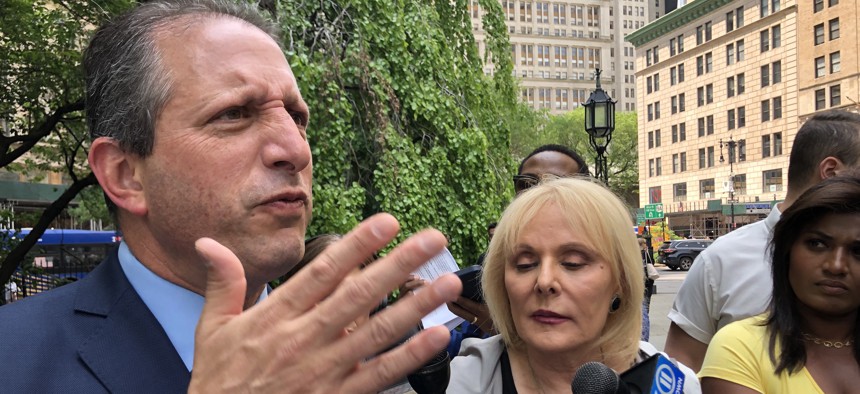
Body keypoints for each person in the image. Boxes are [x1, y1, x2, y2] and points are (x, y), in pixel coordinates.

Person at [0, 1, 461, 392]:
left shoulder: (357, 365)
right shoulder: (14, 361)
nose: (296, 150)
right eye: (234, 114)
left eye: (297, 117)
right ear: (125, 175)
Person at [447, 178, 699, 393]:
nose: (544, 282)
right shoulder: (461, 383)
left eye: (573, 262)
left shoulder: (673, 383)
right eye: (525, 264)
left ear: (620, 280)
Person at [664, 110, 860, 371]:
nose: (836, 266)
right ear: (832, 172)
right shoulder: (721, 260)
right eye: (816, 245)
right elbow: (681, 365)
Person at [699, 174, 860, 393]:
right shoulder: (740, 347)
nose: (836, 266)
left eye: (858, 251)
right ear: (787, 252)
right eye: (817, 244)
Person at [449, 144, 589, 335]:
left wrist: (503, 330)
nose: (545, 281)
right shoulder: (495, 265)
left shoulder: (605, 259)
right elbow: (458, 347)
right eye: (526, 184)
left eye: (572, 263)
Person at [639, 237, 657, 341]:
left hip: (640, 279)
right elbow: (652, 263)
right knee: (647, 298)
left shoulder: (635, 253)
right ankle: (646, 312)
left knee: (642, 300)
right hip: (648, 279)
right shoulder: (648, 252)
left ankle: (644, 313)